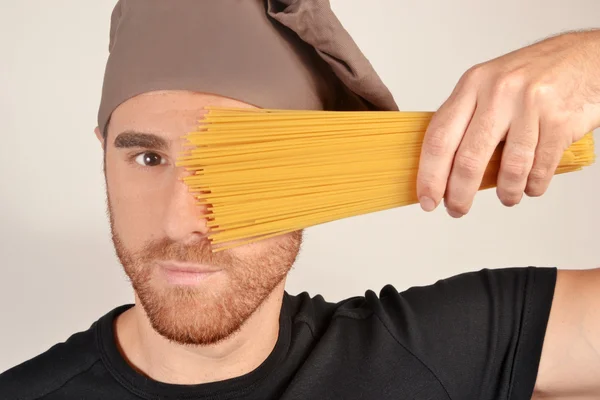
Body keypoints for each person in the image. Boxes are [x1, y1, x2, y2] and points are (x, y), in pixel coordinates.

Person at [1, 1, 599, 399]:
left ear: (316, 174)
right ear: (104, 151)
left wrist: (590, 64)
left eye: (241, 164)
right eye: (148, 158)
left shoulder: (438, 353)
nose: (182, 220)